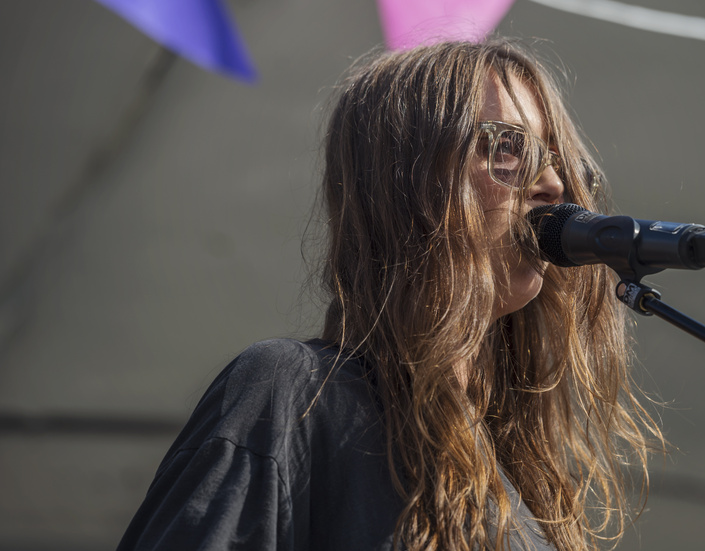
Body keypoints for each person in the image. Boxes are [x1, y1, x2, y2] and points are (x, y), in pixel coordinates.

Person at [117, 38, 663, 551]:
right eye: (511, 147)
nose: (554, 186)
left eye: (560, 162)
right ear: (411, 182)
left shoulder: (518, 480)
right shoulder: (294, 394)